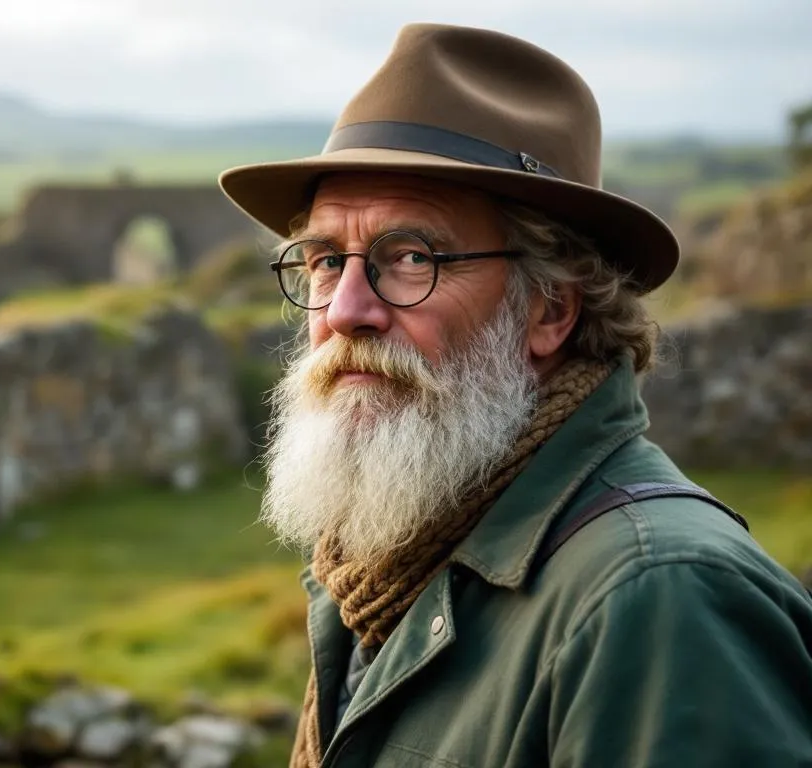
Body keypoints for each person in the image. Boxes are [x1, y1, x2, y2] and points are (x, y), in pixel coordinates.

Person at [217, 22, 812, 767]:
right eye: (326, 260)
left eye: (411, 257)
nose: (345, 310)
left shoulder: (659, 599)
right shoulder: (383, 570)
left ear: (551, 308)